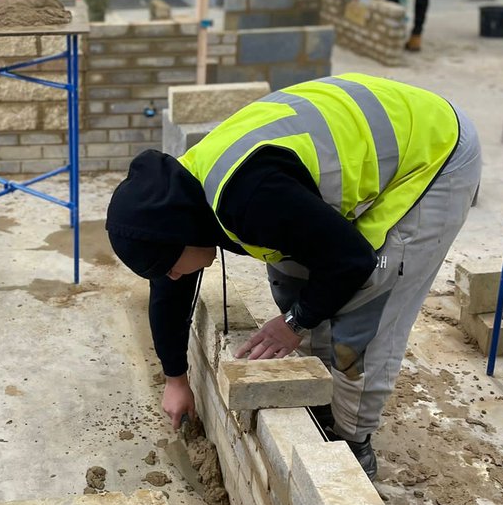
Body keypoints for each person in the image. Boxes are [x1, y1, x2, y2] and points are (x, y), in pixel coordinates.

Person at [105, 74, 481, 480]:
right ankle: (320, 391)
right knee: (292, 284)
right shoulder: (179, 199)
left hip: (434, 152)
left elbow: (352, 261)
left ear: (180, 235)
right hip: (361, 144)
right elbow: (169, 289)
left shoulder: (250, 200)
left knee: (361, 315)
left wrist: (295, 323)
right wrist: (175, 379)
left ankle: (352, 444)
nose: (174, 274)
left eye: (170, 265)